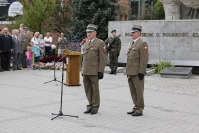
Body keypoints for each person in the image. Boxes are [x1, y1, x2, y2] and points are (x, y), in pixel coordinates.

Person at [81, 24, 107, 115]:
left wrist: (101, 71)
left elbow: (103, 58)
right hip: (86, 70)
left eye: (90, 32)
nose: (88, 34)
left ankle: (95, 106)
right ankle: (90, 105)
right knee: (87, 89)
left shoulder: (100, 43)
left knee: (95, 89)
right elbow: (83, 57)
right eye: (87, 32)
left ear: (95, 32)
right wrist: (82, 69)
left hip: (94, 71)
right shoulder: (85, 42)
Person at [126, 25, 149, 116]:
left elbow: (144, 59)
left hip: (137, 72)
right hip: (130, 71)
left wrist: (141, 71)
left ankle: (140, 109)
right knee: (133, 91)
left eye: (134, 32)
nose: (132, 34)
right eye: (131, 32)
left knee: (139, 91)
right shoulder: (132, 43)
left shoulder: (142, 43)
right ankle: (135, 106)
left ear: (138, 33)